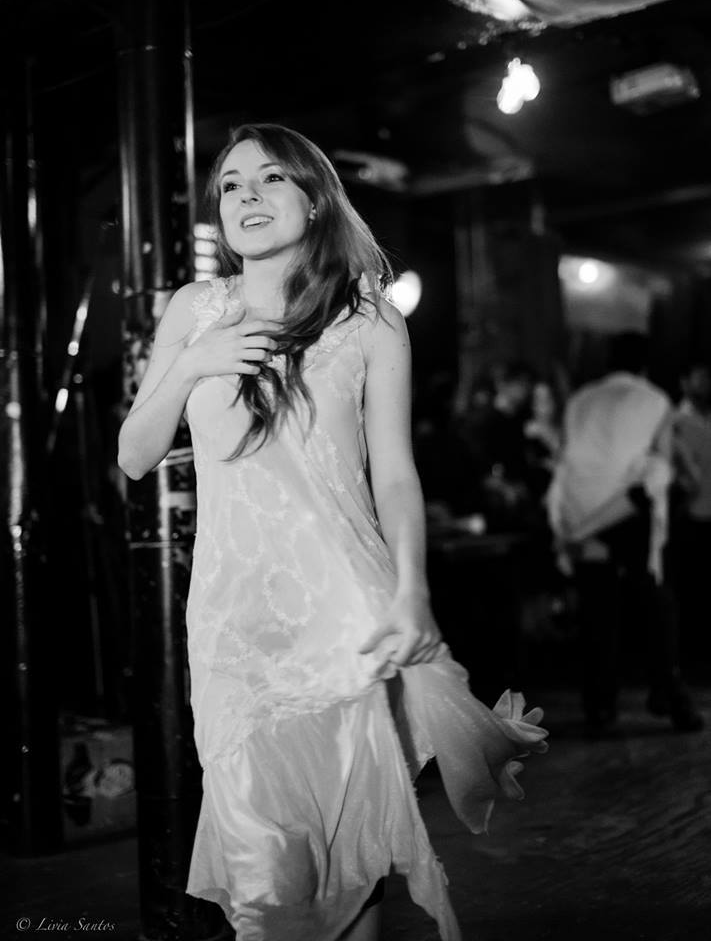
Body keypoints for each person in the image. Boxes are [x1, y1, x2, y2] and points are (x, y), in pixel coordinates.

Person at [117, 123, 547, 941]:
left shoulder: (368, 318)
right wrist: (194, 362)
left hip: (342, 611)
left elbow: (395, 473)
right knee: (263, 860)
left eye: (271, 178)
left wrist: (412, 591)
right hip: (234, 621)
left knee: (349, 845)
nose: (246, 195)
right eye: (231, 183)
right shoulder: (194, 310)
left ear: (314, 199)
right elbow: (135, 456)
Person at [546, 332, 703, 737]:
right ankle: (670, 695)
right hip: (625, 510)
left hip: (579, 511)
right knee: (657, 601)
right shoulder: (656, 399)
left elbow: (565, 455)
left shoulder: (580, 399)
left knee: (598, 608)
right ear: (645, 365)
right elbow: (662, 462)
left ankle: (599, 704)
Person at [670, 362, 711, 669]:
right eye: (699, 379)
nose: (705, 385)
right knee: (690, 588)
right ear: (684, 383)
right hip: (689, 515)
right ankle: (689, 658)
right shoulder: (675, 421)